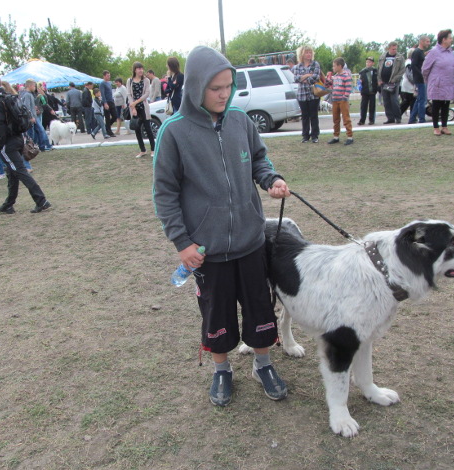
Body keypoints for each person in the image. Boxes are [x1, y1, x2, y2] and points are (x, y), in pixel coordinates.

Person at [153, 45, 290, 407]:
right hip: (206, 250)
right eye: (216, 88)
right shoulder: (174, 132)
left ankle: (263, 364)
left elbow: (259, 159)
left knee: (261, 308)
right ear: (196, 87)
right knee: (217, 314)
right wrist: (182, 242)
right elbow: (164, 193)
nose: (224, 94)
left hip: (250, 240)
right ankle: (222, 369)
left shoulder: (241, 122)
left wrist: (270, 179)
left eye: (228, 86)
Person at [0, 72, 51, 214]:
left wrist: (0, 143)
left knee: (20, 171)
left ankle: (41, 200)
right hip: (18, 138)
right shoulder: (11, 96)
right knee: (12, 172)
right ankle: (8, 204)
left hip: (7, 142)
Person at [423, 30, 454, 136]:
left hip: (448, 82)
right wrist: (430, 81)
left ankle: (444, 126)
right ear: (444, 39)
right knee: (436, 105)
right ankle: (436, 127)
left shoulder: (450, 52)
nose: (452, 40)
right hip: (437, 84)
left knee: (446, 105)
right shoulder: (434, 52)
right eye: (450, 38)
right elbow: (425, 68)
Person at [293, 45, 321, 142]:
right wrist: (307, 75)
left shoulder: (315, 64)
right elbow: (296, 78)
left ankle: (315, 135)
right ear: (302, 54)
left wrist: (303, 78)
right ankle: (305, 136)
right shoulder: (297, 66)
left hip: (313, 94)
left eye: (310, 52)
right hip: (302, 94)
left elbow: (315, 78)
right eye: (306, 52)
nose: (308, 54)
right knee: (305, 116)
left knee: (313, 115)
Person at [127, 62, 155, 158]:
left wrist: (136, 102)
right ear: (135, 70)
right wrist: (133, 107)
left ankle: (153, 149)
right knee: (137, 129)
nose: (141, 70)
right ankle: (142, 150)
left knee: (148, 128)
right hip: (134, 109)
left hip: (143, 107)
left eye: (142, 68)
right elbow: (129, 94)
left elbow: (146, 94)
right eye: (139, 68)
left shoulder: (146, 80)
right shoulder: (129, 81)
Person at [326, 58, 353, 145]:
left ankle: (350, 136)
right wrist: (327, 79)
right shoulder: (335, 76)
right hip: (335, 100)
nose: (333, 67)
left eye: (334, 66)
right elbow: (328, 85)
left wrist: (345, 97)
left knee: (346, 118)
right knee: (336, 119)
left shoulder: (346, 75)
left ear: (340, 66)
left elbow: (348, 87)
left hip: (343, 100)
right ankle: (336, 136)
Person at [378, 42, 406, 124]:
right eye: (393, 49)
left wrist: (395, 79)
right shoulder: (383, 57)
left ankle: (398, 117)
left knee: (394, 101)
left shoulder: (400, 57)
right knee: (386, 101)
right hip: (384, 82)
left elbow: (402, 70)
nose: (394, 50)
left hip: (394, 83)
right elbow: (379, 68)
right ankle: (390, 118)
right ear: (389, 48)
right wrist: (379, 79)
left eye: (396, 49)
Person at [409, 35, 431, 124]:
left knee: (419, 99)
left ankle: (412, 118)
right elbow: (413, 65)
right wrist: (422, 75)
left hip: (422, 79)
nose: (429, 43)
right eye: (427, 41)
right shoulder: (417, 52)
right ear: (421, 41)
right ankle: (421, 119)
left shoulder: (421, 52)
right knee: (422, 99)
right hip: (420, 79)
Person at [358, 57, 378, 125]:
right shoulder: (362, 72)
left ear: (373, 63)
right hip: (365, 91)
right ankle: (362, 120)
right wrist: (360, 89)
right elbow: (360, 82)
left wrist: (376, 88)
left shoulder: (375, 71)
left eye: (370, 62)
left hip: (372, 91)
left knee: (372, 106)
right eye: (367, 62)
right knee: (363, 106)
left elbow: (377, 80)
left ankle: (371, 120)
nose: (368, 63)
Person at [400, 49, 417, 120]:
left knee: (409, 102)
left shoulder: (409, 62)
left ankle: (412, 116)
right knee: (408, 102)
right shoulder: (409, 63)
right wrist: (415, 82)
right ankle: (398, 114)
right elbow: (409, 75)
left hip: (408, 85)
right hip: (408, 85)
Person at [100, 71, 117, 137]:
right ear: (104, 76)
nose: (109, 77)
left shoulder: (109, 83)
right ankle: (109, 131)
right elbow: (103, 94)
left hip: (111, 101)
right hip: (106, 101)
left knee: (115, 116)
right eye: (107, 76)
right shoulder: (102, 83)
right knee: (107, 117)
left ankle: (107, 127)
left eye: (109, 75)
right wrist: (105, 103)